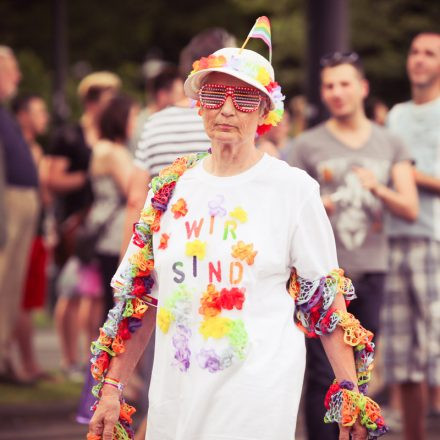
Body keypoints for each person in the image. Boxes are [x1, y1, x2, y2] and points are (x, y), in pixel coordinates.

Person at [88, 19, 387, 440]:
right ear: (199, 104)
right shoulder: (169, 189)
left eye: (245, 98)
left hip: (257, 398)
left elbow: (326, 300)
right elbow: (141, 298)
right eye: (215, 94)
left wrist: (351, 395)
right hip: (178, 400)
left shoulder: (293, 189)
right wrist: (112, 389)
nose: (227, 109)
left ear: (266, 111)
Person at [289, 51, 418, 440]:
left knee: (361, 374)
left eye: (344, 83)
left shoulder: (390, 142)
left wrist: (377, 187)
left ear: (362, 88)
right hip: (321, 279)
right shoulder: (306, 145)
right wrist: (318, 205)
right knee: (321, 376)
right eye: (329, 85)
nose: (336, 92)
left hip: (372, 271)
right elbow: (288, 209)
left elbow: (410, 207)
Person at [120, 28, 236, 440]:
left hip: (172, 265)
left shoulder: (155, 123)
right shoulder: (239, 117)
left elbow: (137, 197)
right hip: (226, 265)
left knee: (171, 368)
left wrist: (131, 264)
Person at [382, 32, 440, 440]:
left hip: (434, 240)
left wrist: (403, 173)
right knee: (403, 358)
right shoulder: (396, 115)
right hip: (393, 240)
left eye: (429, 53)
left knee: (435, 352)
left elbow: (397, 171)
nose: (418, 59)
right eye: (414, 51)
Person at [47, 71, 121, 378]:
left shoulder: (108, 136)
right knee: (71, 292)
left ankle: (88, 356)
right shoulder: (69, 136)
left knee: (91, 294)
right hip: (76, 224)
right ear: (92, 101)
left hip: (100, 225)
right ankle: (67, 359)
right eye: (108, 98)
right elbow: (50, 177)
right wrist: (88, 176)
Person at [0, 46, 39, 383]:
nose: (18, 77)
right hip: (7, 205)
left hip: (17, 203)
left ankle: (4, 354)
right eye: (11, 70)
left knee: (11, 287)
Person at [11, 93, 51, 381]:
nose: (44, 118)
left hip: (37, 231)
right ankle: (23, 364)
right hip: (22, 232)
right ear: (23, 115)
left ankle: (28, 363)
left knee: (29, 299)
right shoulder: (16, 149)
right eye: (38, 112)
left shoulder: (34, 149)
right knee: (21, 297)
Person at [129, 66, 184, 153]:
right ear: (162, 95)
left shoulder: (178, 122)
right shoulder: (140, 128)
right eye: (179, 94)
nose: (184, 100)